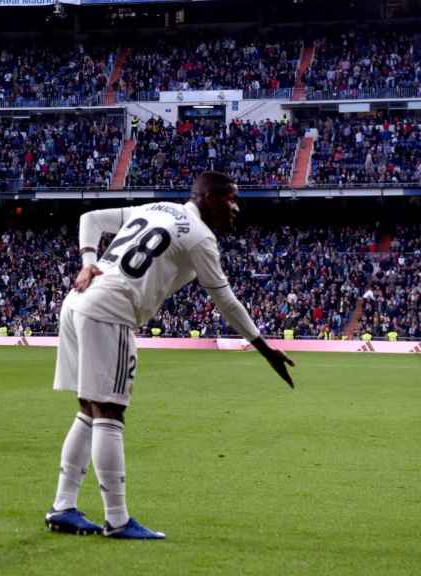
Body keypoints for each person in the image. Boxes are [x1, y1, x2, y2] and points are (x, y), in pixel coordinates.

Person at [45, 172, 295, 539]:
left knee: (88, 409)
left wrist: (87, 261)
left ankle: (63, 506)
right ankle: (116, 520)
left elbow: (90, 219)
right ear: (208, 197)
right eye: (230, 200)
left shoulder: (158, 207)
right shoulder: (200, 237)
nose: (235, 208)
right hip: (111, 308)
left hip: (79, 301)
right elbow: (225, 301)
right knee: (110, 412)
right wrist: (264, 348)